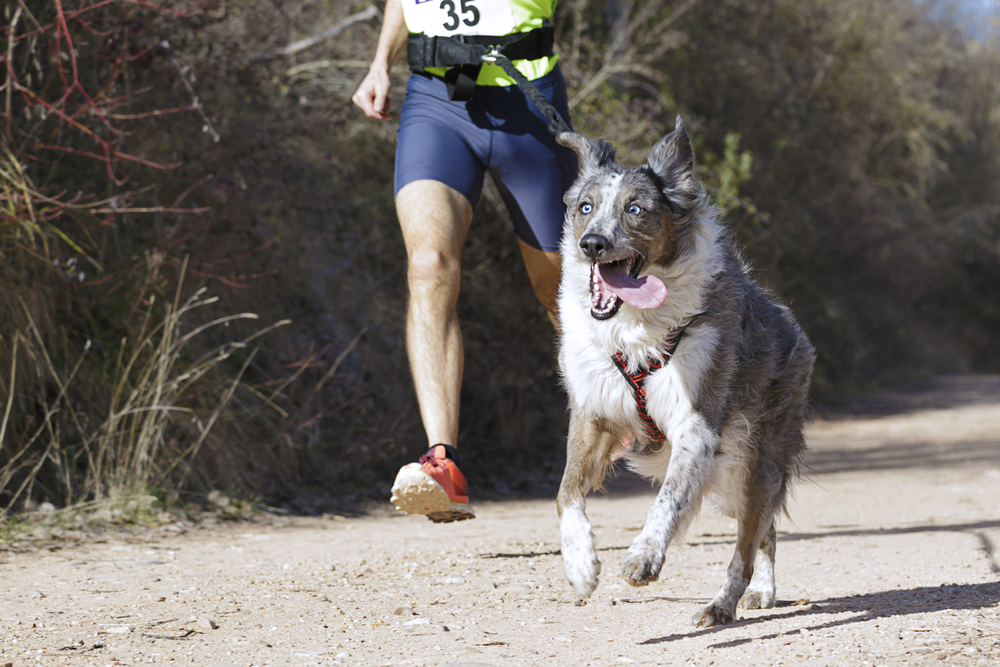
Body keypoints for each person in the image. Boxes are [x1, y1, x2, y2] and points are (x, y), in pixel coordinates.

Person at [351, 0, 577, 522]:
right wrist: (380, 61)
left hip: (527, 98)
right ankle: (442, 462)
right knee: (428, 266)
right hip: (436, 100)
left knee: (561, 287)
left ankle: (626, 408)